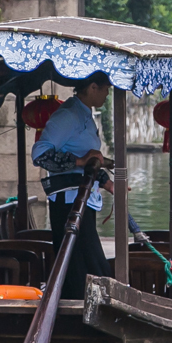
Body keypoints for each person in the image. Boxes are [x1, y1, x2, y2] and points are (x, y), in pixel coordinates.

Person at [31, 71, 114, 298]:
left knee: (83, 260)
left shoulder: (84, 113)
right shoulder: (69, 114)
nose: (108, 94)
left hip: (84, 198)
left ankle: (84, 305)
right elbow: (40, 154)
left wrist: (107, 182)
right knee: (81, 261)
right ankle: (84, 308)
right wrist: (79, 161)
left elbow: (87, 158)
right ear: (93, 88)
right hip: (68, 203)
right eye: (106, 88)